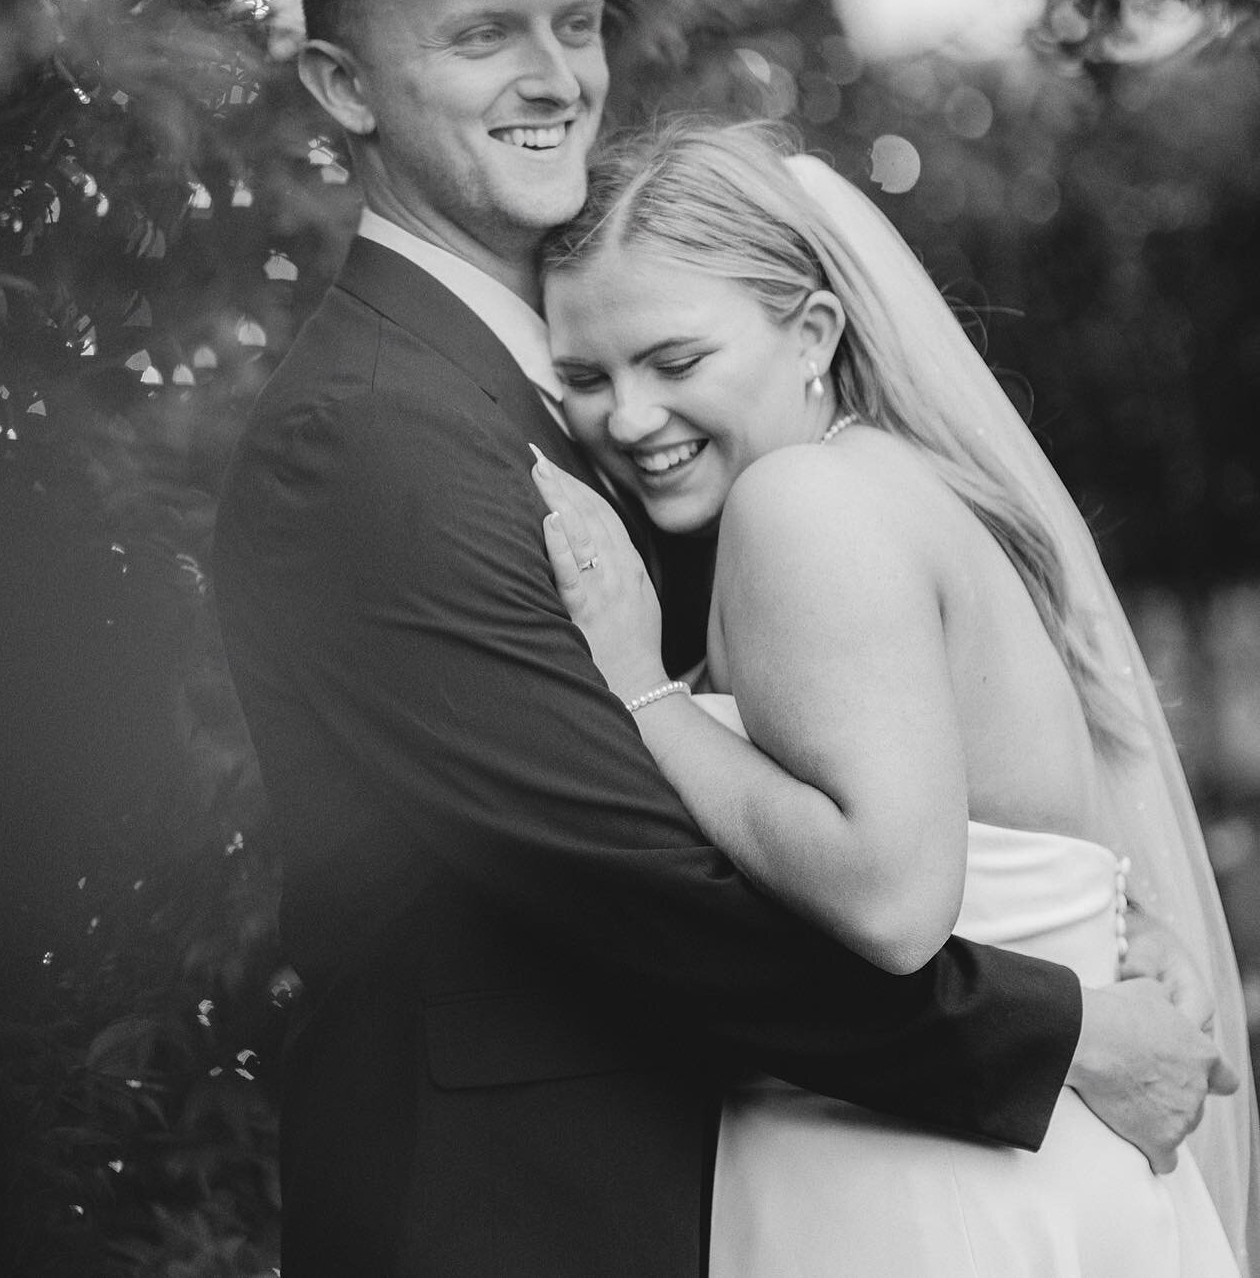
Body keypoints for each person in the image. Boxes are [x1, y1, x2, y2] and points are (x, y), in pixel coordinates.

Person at [211, 0, 1234, 1277]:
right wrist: (1062, 1027)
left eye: (574, 23)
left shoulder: (655, 414)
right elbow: (628, 881)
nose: (554, 75)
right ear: (342, 84)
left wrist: (1087, 930)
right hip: (513, 1214)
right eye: (482, 33)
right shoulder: (366, 435)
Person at [533, 115, 1260, 1275]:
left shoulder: (803, 505)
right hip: (1015, 1159)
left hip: (926, 1189)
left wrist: (643, 697)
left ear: (813, 330)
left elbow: (889, 900)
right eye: (585, 376)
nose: (627, 417)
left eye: (675, 363)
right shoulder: (906, 488)